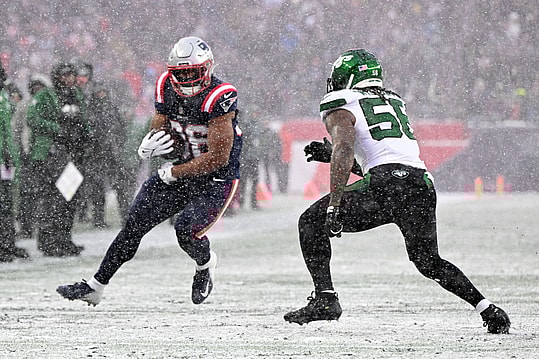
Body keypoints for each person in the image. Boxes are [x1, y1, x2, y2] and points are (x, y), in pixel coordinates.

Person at [283, 49, 511, 334]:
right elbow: (387, 160)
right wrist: (333, 156)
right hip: (420, 184)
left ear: (348, 78)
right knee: (429, 261)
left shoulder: (340, 102)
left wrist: (335, 203)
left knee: (310, 221)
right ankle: (488, 309)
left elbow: (346, 147)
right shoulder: (393, 100)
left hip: (384, 186)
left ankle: (325, 299)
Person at [57, 36, 242, 306]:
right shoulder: (166, 85)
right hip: (182, 168)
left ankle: (205, 264)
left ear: (208, 68)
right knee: (133, 225)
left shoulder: (220, 96)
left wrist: (175, 171)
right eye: (182, 73)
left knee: (186, 230)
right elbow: (166, 132)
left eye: (193, 72)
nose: (188, 79)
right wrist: (153, 144)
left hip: (216, 178)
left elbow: (217, 157)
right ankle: (96, 286)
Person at [27, 62, 89, 257]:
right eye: (65, 75)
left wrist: (86, 135)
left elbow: (84, 119)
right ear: (57, 77)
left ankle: (64, 239)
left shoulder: (77, 95)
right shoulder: (45, 96)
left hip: (73, 153)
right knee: (52, 199)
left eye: (72, 75)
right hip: (51, 153)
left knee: (69, 198)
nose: (70, 79)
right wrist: (57, 129)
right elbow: (33, 119)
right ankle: (48, 242)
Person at [0, 63, 29, 261]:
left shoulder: (3, 96)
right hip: (3, 156)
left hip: (6, 158)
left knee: (7, 203)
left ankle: (7, 242)